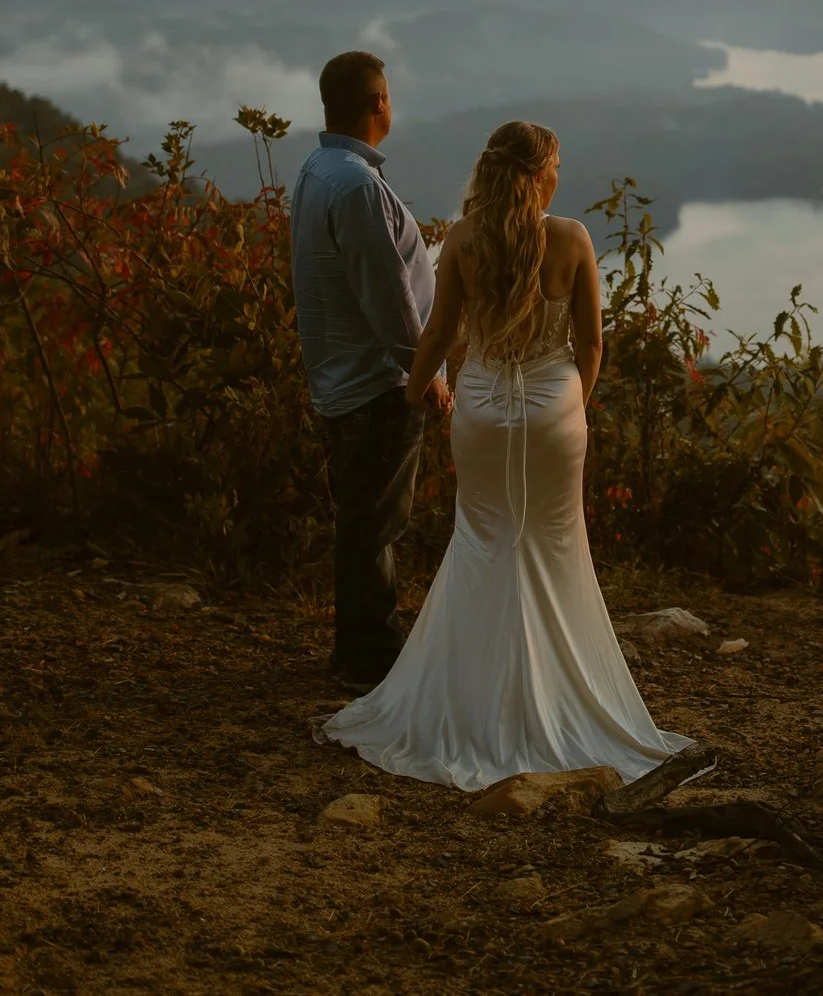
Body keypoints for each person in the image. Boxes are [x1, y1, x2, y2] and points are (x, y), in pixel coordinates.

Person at [316, 120, 691, 790]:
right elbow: (591, 344)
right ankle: (560, 693)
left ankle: (467, 698)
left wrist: (414, 393)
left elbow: (438, 333)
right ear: (542, 173)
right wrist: (569, 407)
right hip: (554, 412)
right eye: (557, 165)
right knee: (553, 544)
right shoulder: (572, 239)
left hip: (483, 410)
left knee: (482, 541)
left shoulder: (465, 238)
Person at [290, 50, 450, 692]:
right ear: (379, 101)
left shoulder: (318, 170)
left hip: (346, 375)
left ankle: (358, 649)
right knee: (375, 523)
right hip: (378, 382)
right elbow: (387, 298)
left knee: (363, 516)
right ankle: (370, 658)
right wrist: (426, 374)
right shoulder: (356, 185)